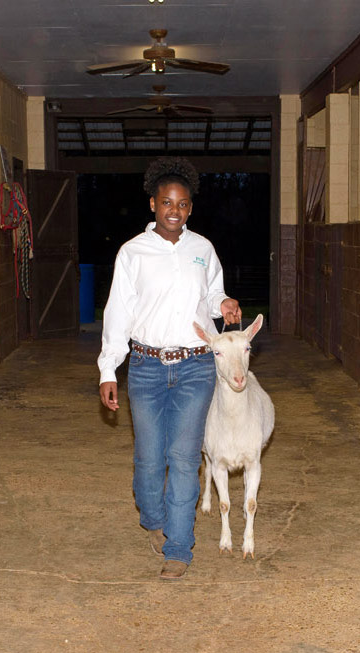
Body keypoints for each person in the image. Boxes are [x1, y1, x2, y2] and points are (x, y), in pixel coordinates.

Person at [98, 157, 241, 580]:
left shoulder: (203, 249)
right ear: (153, 204)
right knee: (148, 459)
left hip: (196, 366)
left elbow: (213, 294)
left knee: (182, 458)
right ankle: (153, 514)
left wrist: (225, 303)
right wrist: (109, 369)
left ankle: (179, 547)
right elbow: (117, 313)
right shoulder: (132, 253)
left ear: (190, 208)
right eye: (166, 202)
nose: (174, 210)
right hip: (146, 367)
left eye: (181, 203)